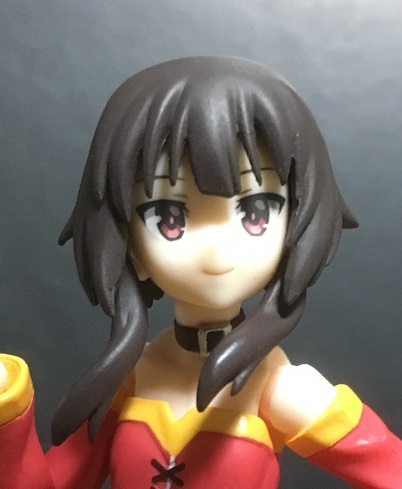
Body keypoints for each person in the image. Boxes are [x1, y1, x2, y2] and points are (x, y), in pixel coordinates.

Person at [1, 56, 401, 489]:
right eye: (168, 218)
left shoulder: (280, 389)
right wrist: (8, 410)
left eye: (255, 213)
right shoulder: (130, 380)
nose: (216, 251)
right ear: (126, 238)